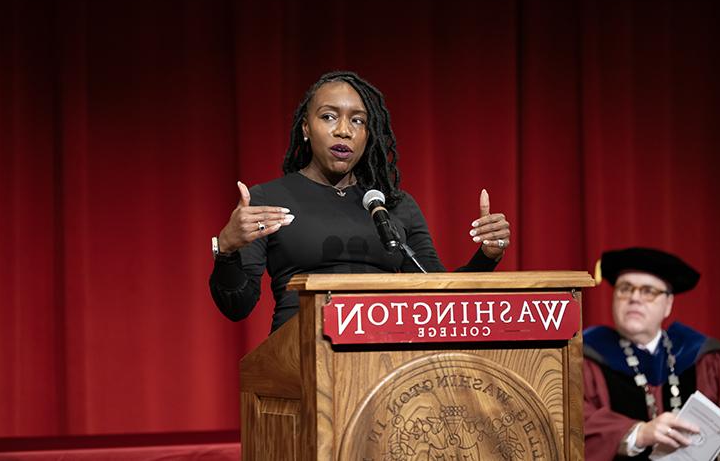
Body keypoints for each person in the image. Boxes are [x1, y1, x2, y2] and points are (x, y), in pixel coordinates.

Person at [209, 71, 511, 333]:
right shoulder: (269, 199)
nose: (344, 130)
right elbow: (237, 305)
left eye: (358, 120)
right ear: (305, 127)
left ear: (368, 134)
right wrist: (227, 250)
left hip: (384, 365)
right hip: (297, 362)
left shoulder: (392, 204)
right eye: (328, 116)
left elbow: (439, 295)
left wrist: (486, 256)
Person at [583, 247, 720, 460]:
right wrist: (639, 433)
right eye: (625, 288)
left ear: (668, 304)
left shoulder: (703, 356)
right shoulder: (586, 356)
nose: (634, 298)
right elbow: (575, 422)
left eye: (649, 291)